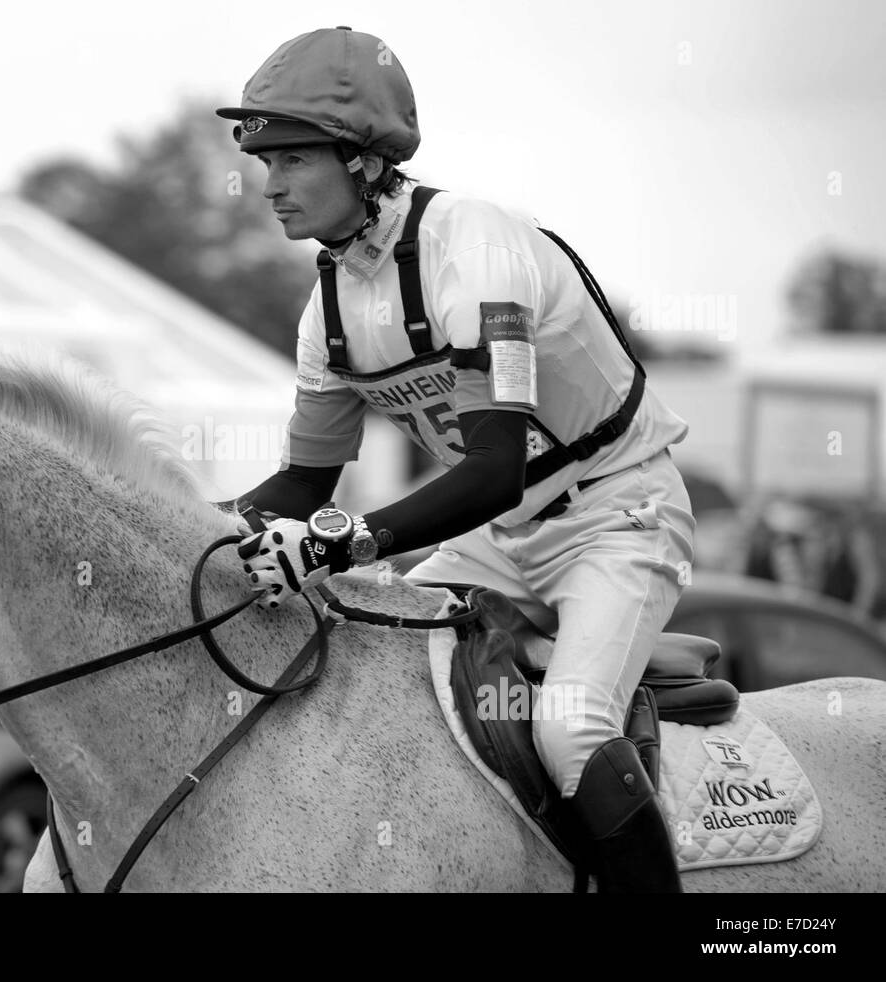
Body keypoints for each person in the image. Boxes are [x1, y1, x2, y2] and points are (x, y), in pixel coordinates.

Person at [216, 27, 696, 892]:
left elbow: (492, 469)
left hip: (618, 513)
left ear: (363, 161)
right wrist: (192, 525)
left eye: (290, 162)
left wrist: (343, 542)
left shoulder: (473, 251)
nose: (270, 188)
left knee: (571, 730)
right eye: (262, 164)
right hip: (500, 537)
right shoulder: (326, 309)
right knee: (361, 677)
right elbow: (301, 485)